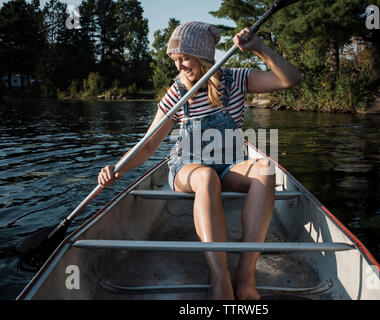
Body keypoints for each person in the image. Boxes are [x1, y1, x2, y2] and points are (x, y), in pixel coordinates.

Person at [98, 21, 302, 300]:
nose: (178, 66)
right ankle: (220, 280)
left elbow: (289, 79)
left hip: (230, 164)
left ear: (203, 57)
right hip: (187, 168)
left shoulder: (237, 80)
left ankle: (246, 276)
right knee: (205, 176)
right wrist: (117, 170)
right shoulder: (177, 94)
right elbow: (147, 147)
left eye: (184, 58)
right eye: (175, 60)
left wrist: (260, 48)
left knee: (265, 170)